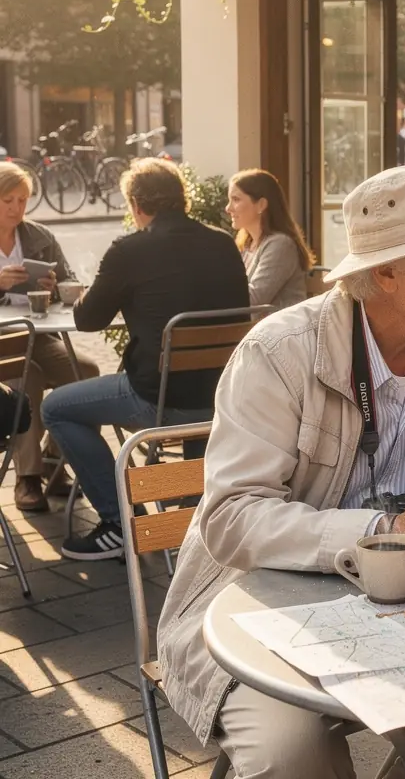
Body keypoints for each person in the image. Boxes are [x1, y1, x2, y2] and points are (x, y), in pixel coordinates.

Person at [158, 166, 405, 779]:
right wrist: (385, 532)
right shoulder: (278, 353)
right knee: (294, 753)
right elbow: (229, 520)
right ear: (386, 271)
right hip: (254, 610)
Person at [42, 159, 249, 561]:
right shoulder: (224, 242)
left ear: (136, 205)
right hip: (222, 399)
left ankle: (119, 521)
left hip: (158, 400)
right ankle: (193, 517)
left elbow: (87, 319)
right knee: (191, 404)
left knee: (56, 408)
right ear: (182, 198)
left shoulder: (129, 249)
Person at [0, 161, 99, 513]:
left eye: (23, 200)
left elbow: (70, 281)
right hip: (2, 342)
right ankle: (27, 478)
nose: (16, 208)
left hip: (38, 333)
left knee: (84, 372)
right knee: (27, 378)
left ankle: (56, 458)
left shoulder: (40, 236)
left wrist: (54, 288)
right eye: (8, 200)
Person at [227, 168, 314, 310]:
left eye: (236, 200)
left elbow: (254, 299)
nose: (228, 208)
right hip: (255, 328)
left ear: (261, 205)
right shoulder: (247, 244)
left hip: (282, 330)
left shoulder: (281, 245)